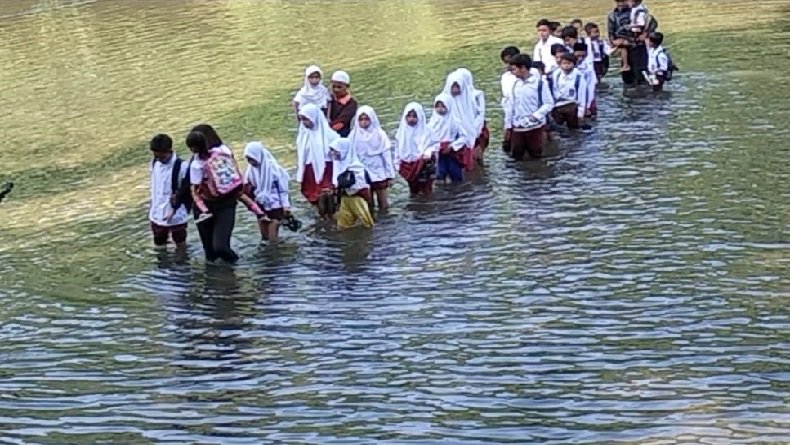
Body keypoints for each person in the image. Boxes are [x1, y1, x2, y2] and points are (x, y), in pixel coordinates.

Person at [186, 131, 263, 264]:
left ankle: (234, 269)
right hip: (224, 202)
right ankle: (228, 274)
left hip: (217, 205)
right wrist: (258, 211)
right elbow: (238, 190)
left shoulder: (196, 164)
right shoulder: (224, 152)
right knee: (213, 250)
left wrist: (204, 210)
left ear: (193, 148)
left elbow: (195, 192)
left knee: (217, 249)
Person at [506, 54, 555, 160]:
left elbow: (549, 103)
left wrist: (535, 116)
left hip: (534, 126)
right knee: (516, 156)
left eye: (514, 69)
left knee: (536, 155)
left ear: (523, 68)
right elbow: (510, 105)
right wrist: (508, 125)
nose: (512, 73)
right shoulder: (514, 84)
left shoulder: (540, 84)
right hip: (517, 126)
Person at [295, 103, 339, 217]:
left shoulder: (330, 135)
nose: (304, 123)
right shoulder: (304, 136)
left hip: (327, 169)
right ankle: (322, 218)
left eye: (306, 119)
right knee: (315, 197)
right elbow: (302, 155)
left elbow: (338, 154)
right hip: (311, 171)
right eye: (302, 120)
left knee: (327, 197)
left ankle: (330, 221)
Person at [243, 141, 291, 242]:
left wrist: (286, 205)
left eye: (251, 159)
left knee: (272, 238)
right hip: (261, 205)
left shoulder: (273, 169)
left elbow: (283, 190)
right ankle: (269, 254)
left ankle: (276, 253)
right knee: (264, 238)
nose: (249, 162)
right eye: (247, 159)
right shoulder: (251, 170)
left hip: (275, 206)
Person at [349, 105, 395, 210]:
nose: (363, 122)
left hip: (379, 171)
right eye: (361, 119)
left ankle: (385, 221)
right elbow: (350, 155)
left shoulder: (380, 134)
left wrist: (390, 175)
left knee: (383, 203)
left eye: (366, 119)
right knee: (368, 203)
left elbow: (387, 156)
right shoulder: (353, 135)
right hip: (362, 172)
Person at [148, 134, 189, 251]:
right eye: (155, 155)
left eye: (161, 155)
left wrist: (177, 204)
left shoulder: (182, 166)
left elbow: (187, 190)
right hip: (156, 213)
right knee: (159, 244)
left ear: (168, 151)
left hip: (176, 214)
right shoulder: (154, 163)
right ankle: (162, 267)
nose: (158, 158)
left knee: (180, 244)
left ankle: (182, 265)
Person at [329, 138, 374, 229]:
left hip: (357, 199)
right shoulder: (339, 165)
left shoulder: (357, 168)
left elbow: (361, 186)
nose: (333, 153)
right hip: (345, 199)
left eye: (335, 151)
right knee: (343, 225)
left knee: (367, 223)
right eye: (332, 151)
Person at [394, 102, 435, 196]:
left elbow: (434, 144)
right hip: (407, 165)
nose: (411, 119)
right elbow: (397, 148)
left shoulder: (427, 131)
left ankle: (427, 207)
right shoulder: (401, 133)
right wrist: (397, 163)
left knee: (425, 189)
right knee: (413, 189)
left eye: (414, 116)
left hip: (424, 163)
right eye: (409, 116)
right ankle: (416, 207)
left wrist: (428, 152)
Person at [428, 94, 471, 183]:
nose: (440, 109)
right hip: (438, 152)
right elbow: (427, 139)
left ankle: (457, 193)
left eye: (443, 106)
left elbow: (464, 137)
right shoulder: (432, 122)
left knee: (455, 174)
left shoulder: (455, 121)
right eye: (437, 106)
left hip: (452, 152)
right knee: (439, 174)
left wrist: (452, 146)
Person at [442, 70, 478, 171]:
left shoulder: (469, 101)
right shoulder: (443, 102)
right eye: (453, 86)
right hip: (449, 138)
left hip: (464, 139)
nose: (455, 89)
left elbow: (473, 119)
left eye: (457, 86)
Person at [456, 68, 488, 166]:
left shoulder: (477, 95)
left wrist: (473, 133)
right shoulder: (454, 96)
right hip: (461, 133)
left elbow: (480, 115)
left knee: (475, 158)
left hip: (476, 131)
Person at [550, 54, 588, 130]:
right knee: (558, 129)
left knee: (574, 129)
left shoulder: (579, 78)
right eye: (564, 63)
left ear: (574, 64)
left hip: (572, 106)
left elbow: (582, 96)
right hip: (558, 106)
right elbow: (554, 91)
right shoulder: (556, 75)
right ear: (560, 64)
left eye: (569, 63)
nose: (566, 65)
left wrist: (581, 113)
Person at [500, 46, 520, 153]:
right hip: (511, 114)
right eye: (506, 63)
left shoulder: (530, 74)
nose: (508, 66)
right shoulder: (505, 77)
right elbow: (506, 98)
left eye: (510, 62)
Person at [327, 70, 358, 137]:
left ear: (347, 87)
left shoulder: (351, 103)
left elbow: (339, 124)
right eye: (334, 86)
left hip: (342, 136)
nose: (336, 90)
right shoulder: (328, 99)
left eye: (339, 87)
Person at [573, 42, 598, 120]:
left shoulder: (589, 68)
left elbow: (591, 86)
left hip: (587, 97)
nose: (580, 58)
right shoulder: (568, 66)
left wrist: (587, 105)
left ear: (586, 54)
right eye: (578, 56)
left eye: (583, 56)